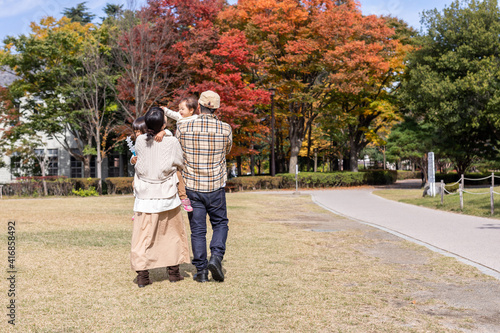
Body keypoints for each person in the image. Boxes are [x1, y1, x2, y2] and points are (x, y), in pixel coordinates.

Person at [175, 90, 232, 283]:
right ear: (216, 108)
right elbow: (227, 151)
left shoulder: (184, 128)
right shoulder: (225, 129)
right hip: (216, 185)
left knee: (198, 230)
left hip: (192, 185)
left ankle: (201, 272)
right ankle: (216, 257)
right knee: (220, 224)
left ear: (199, 106)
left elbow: (178, 151)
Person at [130, 107, 190, 287]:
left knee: (142, 237)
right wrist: (167, 133)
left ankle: (142, 276)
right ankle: (173, 272)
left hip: (145, 195)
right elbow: (180, 162)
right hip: (167, 193)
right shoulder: (172, 142)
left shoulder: (140, 140)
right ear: (163, 124)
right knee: (171, 233)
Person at [132, 115, 192, 213]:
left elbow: (169, 132)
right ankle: (138, 207)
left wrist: (163, 132)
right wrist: (133, 160)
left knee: (178, 176)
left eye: (139, 131)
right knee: (134, 183)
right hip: (148, 173)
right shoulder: (141, 141)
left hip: (160, 171)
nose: (137, 134)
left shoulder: (163, 137)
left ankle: (183, 198)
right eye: (135, 132)